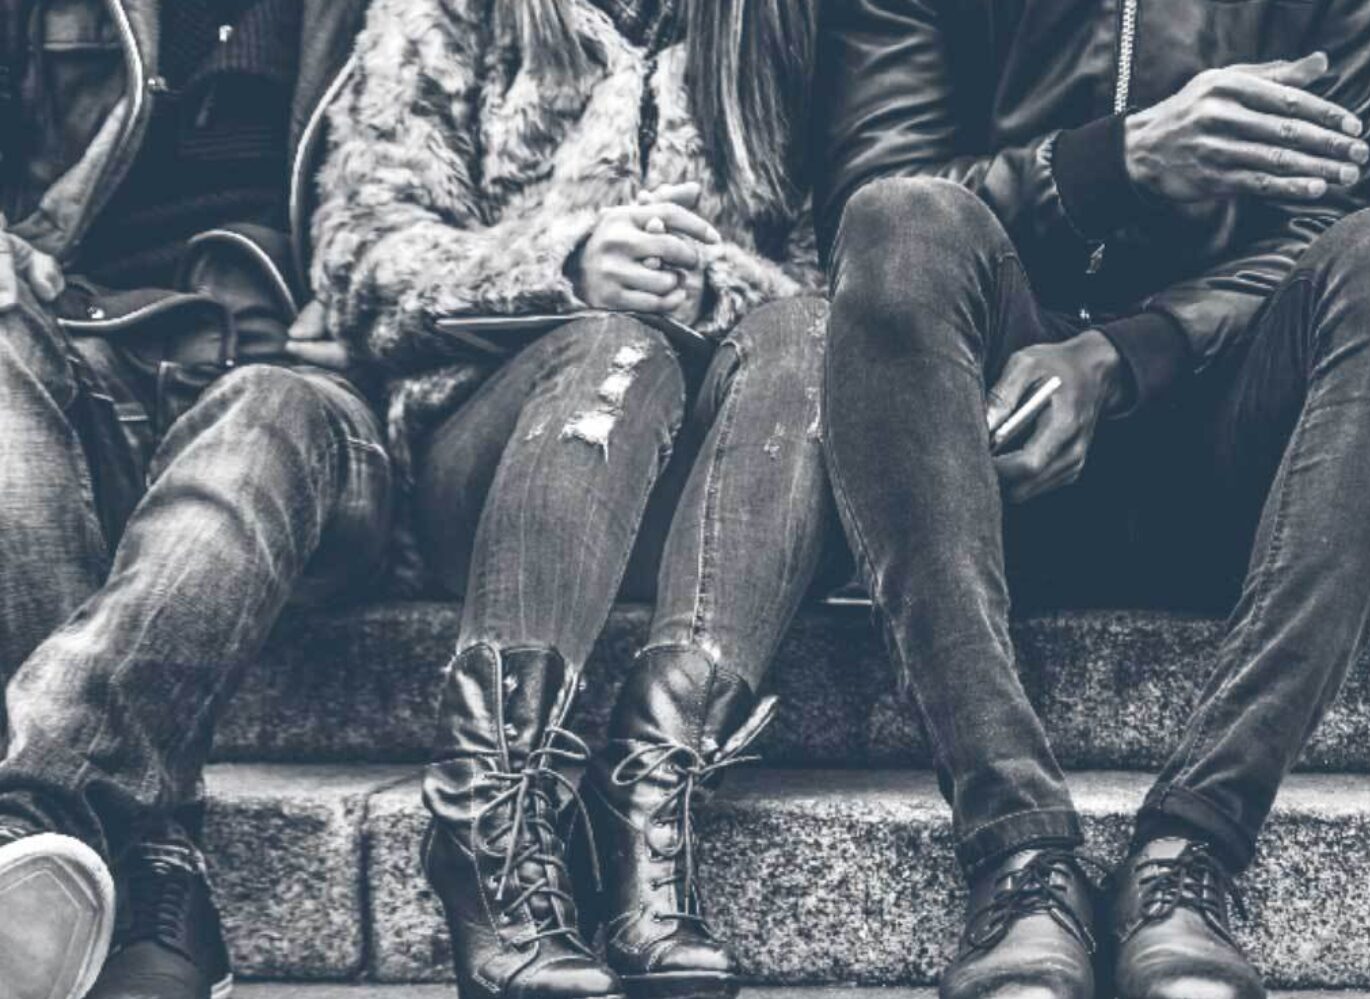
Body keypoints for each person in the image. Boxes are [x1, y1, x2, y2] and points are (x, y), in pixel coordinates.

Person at [813, 0, 1370, 995]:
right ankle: (1019, 855)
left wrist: (1125, 356)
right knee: (899, 222)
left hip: (1238, 465)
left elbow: (1331, 220)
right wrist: (1111, 163)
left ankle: (1192, 849)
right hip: (986, 463)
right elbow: (872, 196)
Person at [310, 0, 826, 996]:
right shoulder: (445, 14)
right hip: (497, 462)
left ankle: (643, 795)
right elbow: (358, 263)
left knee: (810, 334)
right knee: (613, 346)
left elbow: (826, 280)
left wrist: (709, 285)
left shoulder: (770, 27)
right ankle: (487, 820)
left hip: (709, 494)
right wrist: (563, 266)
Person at [0, 2, 387, 998]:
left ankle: (38, 811)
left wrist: (380, 305)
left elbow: (461, 199)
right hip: (80, 359)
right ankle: (127, 849)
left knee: (262, 414)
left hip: (312, 397)